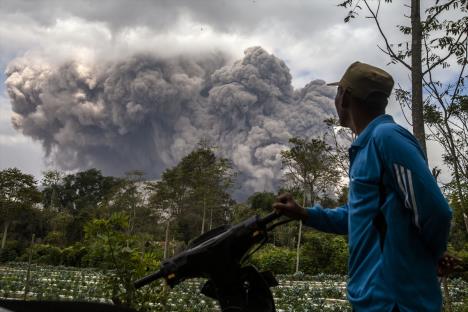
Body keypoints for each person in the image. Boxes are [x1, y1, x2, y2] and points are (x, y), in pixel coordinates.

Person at [273, 62, 452, 312]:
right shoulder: (366, 147)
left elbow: (436, 212)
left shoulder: (387, 138)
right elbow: (359, 217)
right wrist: (304, 213)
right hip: (371, 299)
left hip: (395, 301)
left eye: (338, 92)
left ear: (344, 97)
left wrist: (432, 255)